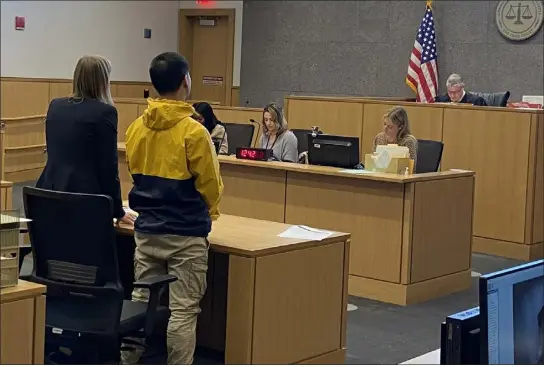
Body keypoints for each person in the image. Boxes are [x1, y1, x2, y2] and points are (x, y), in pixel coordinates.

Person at [123, 52, 223, 365]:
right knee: (183, 310)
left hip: (147, 230)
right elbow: (211, 186)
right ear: (185, 82)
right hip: (185, 233)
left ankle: (127, 359)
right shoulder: (195, 132)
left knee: (140, 301)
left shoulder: (136, 127)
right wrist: (209, 212)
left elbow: (134, 172)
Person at [36, 55, 134, 225]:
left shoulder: (56, 106)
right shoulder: (104, 112)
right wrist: (118, 210)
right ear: (103, 81)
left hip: (48, 192)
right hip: (85, 199)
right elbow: (108, 167)